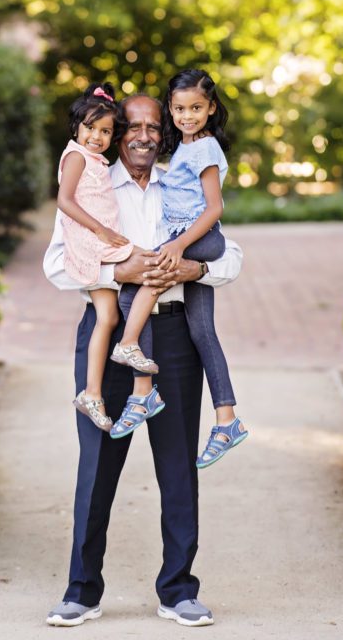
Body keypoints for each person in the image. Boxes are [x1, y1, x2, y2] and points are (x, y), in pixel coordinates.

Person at [43, 93, 243, 628]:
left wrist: (191, 273)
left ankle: (178, 589)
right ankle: (81, 590)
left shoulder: (183, 177)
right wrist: (122, 273)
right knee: (97, 464)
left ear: (165, 134)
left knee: (177, 466)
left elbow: (231, 253)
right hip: (109, 337)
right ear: (115, 132)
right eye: (132, 125)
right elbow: (58, 263)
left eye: (154, 126)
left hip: (175, 338)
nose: (143, 135)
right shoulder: (91, 180)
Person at [115, 69, 248, 467]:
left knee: (142, 284)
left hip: (201, 239)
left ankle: (135, 368)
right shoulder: (186, 148)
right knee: (203, 331)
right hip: (190, 238)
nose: (187, 115)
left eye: (195, 108)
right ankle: (227, 419)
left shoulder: (204, 148)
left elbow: (215, 208)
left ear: (211, 108)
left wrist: (178, 246)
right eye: (179, 108)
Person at [56, 83, 163, 433]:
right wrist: (104, 236)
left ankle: (91, 393)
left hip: (97, 247)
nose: (96, 137)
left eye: (104, 130)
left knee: (108, 317)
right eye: (90, 128)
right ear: (76, 128)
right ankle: (129, 344)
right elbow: (65, 202)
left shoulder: (95, 163)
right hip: (93, 243)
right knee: (152, 265)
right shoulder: (76, 157)